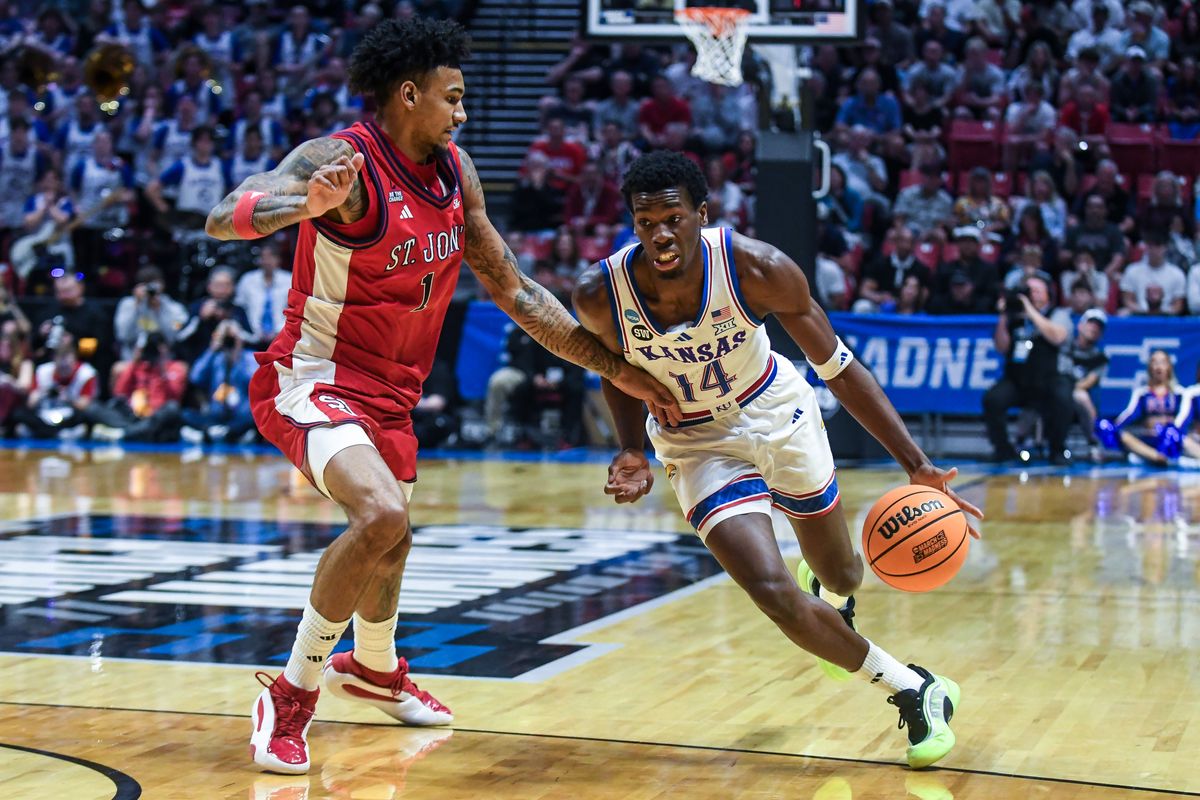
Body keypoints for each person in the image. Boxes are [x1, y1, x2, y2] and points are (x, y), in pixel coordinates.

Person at [203, 18, 678, 775]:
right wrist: (299, 208)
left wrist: (613, 368)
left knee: (394, 541)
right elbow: (223, 215)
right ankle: (290, 695)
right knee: (381, 516)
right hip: (315, 376)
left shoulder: (456, 172)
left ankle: (376, 668)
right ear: (408, 94)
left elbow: (518, 291)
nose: (463, 111)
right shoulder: (344, 160)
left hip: (393, 395)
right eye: (452, 97)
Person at [572, 151, 981, 770]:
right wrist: (630, 446)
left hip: (774, 410)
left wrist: (914, 463)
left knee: (843, 576)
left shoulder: (757, 268)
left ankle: (829, 592)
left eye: (673, 219)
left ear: (702, 214)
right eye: (645, 222)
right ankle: (915, 689)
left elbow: (838, 367)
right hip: (695, 440)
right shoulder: (601, 294)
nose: (660, 235)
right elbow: (615, 371)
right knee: (770, 589)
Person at [982, 275, 1072, 463]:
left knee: (1063, 397)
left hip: (1050, 377)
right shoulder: (1014, 316)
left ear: (1048, 294)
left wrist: (1030, 311)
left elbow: (1057, 337)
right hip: (1019, 379)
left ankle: (1057, 449)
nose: (1032, 295)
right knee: (992, 399)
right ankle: (1003, 450)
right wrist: (1004, 315)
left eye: (1037, 291)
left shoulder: (1058, 313)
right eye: (1029, 291)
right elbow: (1001, 347)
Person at [181, 320, 258, 445]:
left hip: (239, 416)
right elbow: (195, 376)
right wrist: (212, 348)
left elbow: (256, 381)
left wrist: (237, 355)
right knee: (186, 414)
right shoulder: (215, 358)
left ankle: (213, 434)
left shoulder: (249, 358)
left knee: (254, 418)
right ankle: (225, 434)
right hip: (215, 415)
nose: (229, 341)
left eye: (232, 338)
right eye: (226, 338)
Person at [1106, 350, 1183, 465]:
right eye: (1155, 362)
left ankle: (1161, 456)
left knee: (1177, 436)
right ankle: (1157, 457)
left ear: (1169, 367)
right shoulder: (1142, 393)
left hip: (1172, 439)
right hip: (1149, 438)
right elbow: (1129, 414)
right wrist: (1114, 428)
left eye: (1163, 362)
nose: (1159, 367)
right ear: (1150, 367)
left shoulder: (1179, 393)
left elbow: (1184, 419)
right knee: (1122, 435)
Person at [1059, 309, 1109, 462]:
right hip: (1058, 393)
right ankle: (1027, 441)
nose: (1094, 328)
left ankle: (1094, 443)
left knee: (1081, 396)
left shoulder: (1100, 358)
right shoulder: (1064, 348)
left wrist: (1069, 389)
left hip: (1077, 398)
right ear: (1080, 326)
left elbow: (1089, 382)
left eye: (1098, 327)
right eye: (1090, 324)